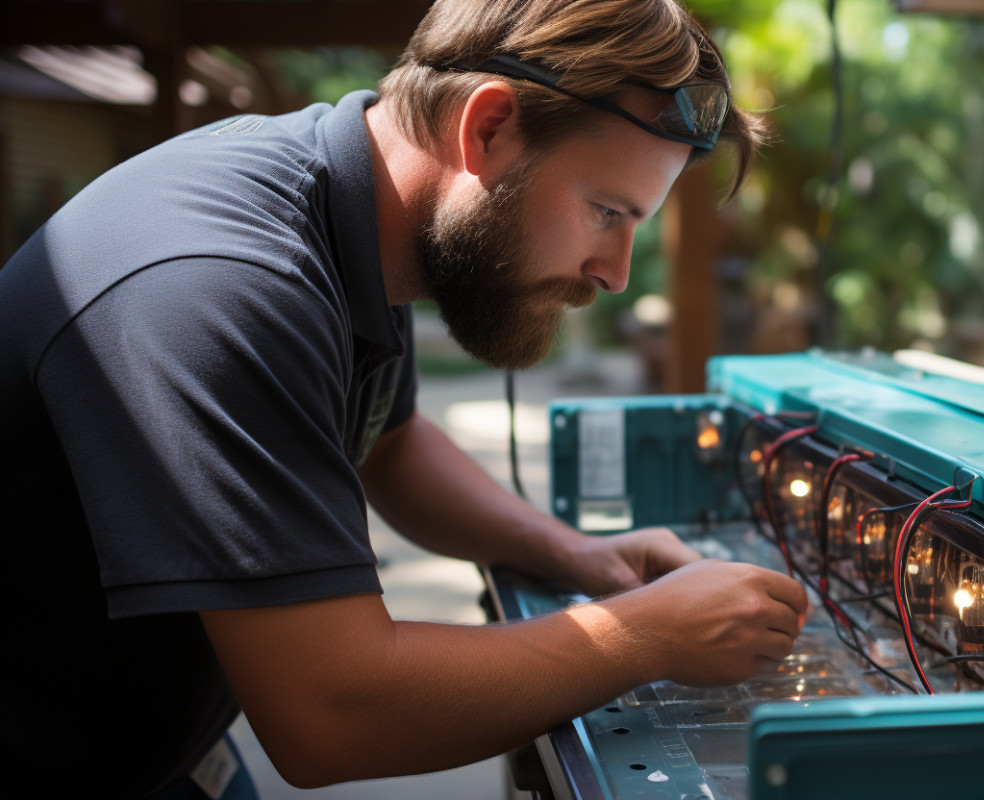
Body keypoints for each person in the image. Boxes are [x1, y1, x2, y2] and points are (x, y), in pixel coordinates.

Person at [0, 0, 809, 796]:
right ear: (487, 129)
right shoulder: (226, 283)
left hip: (167, 753)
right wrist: (645, 637)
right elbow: (331, 713)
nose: (615, 273)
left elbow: (389, 439)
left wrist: (575, 553)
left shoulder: (353, 214)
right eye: (606, 211)